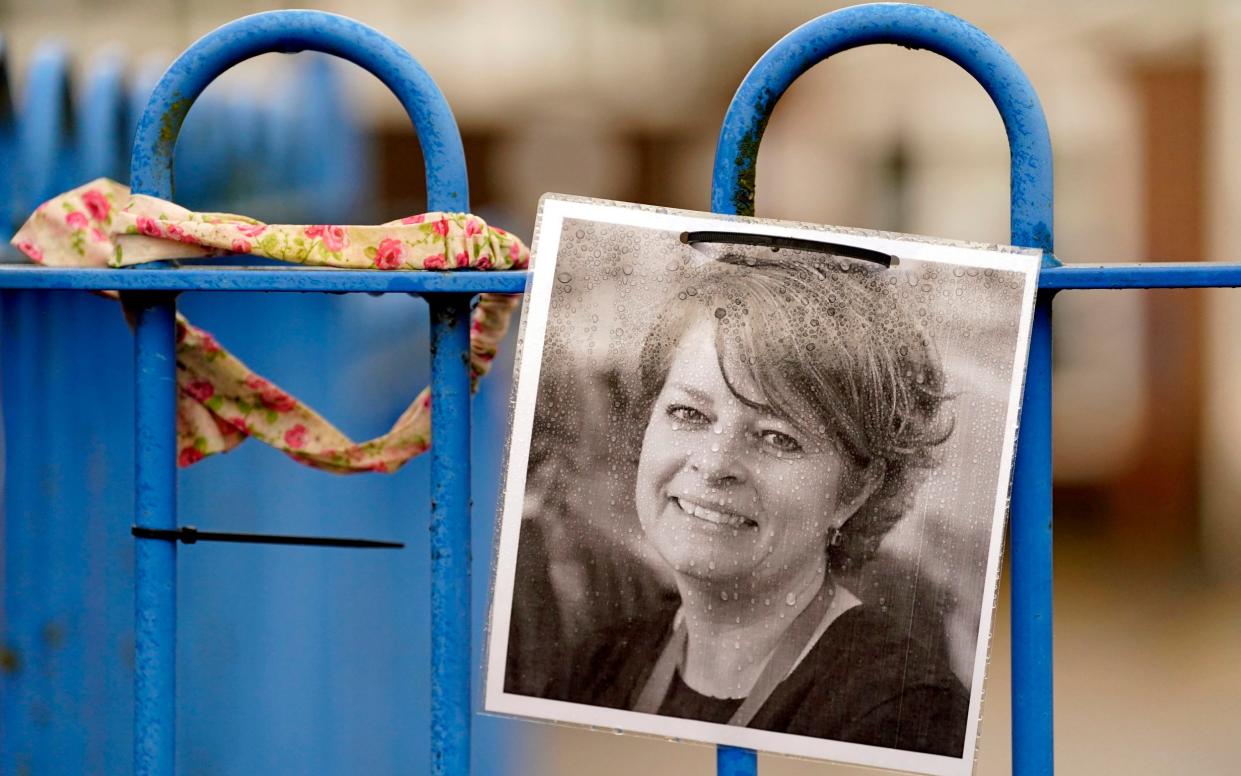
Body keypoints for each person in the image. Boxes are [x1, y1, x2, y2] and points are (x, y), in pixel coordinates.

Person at [554, 249, 969, 757]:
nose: (714, 463)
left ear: (856, 490)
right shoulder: (601, 664)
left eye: (777, 437)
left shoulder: (902, 711)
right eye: (689, 412)